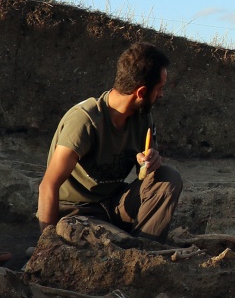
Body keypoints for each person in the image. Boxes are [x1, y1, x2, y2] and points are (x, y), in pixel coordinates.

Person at [38, 41, 182, 240]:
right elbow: (48, 186)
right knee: (120, 244)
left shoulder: (142, 117)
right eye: (159, 89)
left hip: (114, 204)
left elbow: (147, 174)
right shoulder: (85, 120)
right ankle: (134, 251)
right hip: (78, 214)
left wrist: (150, 161)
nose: (161, 94)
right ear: (141, 92)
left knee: (168, 177)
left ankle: (146, 249)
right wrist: (47, 243)